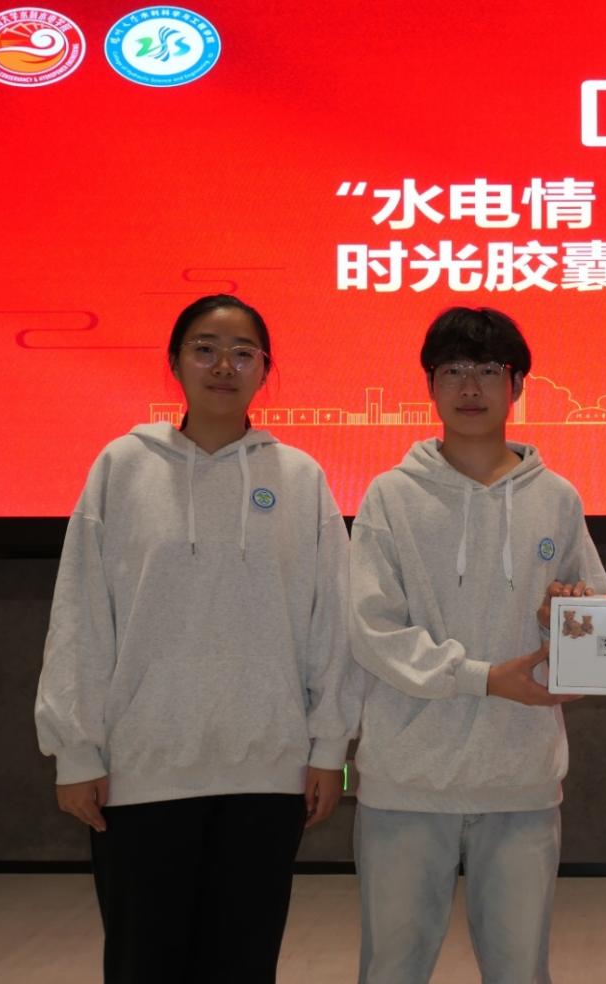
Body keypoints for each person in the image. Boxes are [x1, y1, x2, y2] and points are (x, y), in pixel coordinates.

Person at [34, 294, 360, 983]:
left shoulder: (300, 479)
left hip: (266, 772)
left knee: (243, 965)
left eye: (243, 353)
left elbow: (330, 621)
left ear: (265, 369)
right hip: (141, 771)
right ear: (175, 363)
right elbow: (81, 614)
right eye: (205, 349)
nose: (223, 366)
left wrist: (329, 748)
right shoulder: (122, 467)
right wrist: (74, 749)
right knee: (143, 964)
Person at [349, 306, 606, 984]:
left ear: (517, 385)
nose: (470, 387)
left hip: (522, 782)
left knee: (521, 972)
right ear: (430, 385)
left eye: (489, 370)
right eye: (453, 371)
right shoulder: (390, 497)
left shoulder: (556, 498)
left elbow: (592, 631)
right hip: (407, 782)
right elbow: (372, 630)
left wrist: (563, 622)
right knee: (391, 971)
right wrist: (484, 677)